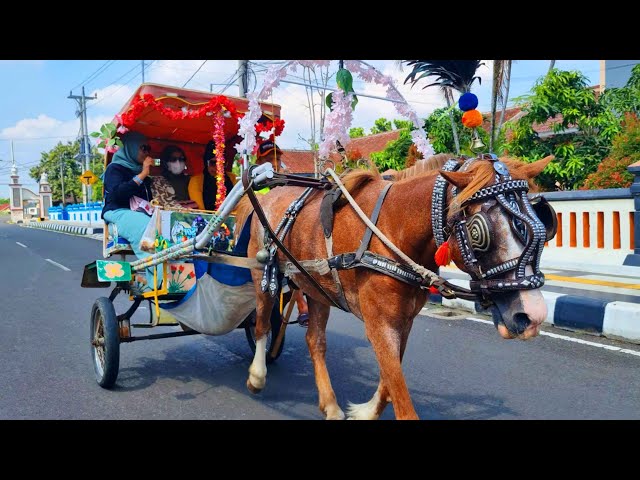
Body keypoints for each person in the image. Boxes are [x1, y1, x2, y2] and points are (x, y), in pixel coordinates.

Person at [255, 140, 310, 326]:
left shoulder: (283, 183)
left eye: (277, 158)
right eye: (269, 159)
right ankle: (302, 306)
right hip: (260, 232)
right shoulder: (255, 183)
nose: (274, 162)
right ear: (259, 160)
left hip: (280, 233)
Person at [101, 131, 159, 286]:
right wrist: (143, 174)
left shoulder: (140, 171)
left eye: (148, 149)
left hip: (140, 213)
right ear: (131, 148)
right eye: (143, 148)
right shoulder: (114, 169)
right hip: (118, 211)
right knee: (145, 227)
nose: (147, 153)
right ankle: (157, 281)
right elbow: (117, 195)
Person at [188, 139, 235, 211]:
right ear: (206, 163)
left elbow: (238, 206)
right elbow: (200, 211)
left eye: (222, 163)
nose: (218, 168)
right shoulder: (196, 181)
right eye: (213, 163)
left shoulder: (233, 178)